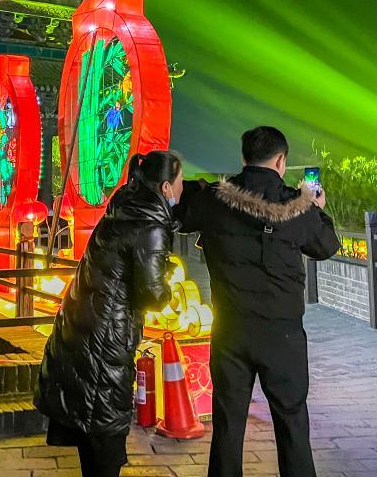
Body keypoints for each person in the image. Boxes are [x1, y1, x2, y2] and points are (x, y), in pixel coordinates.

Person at [175, 126, 340, 477]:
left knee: (228, 420)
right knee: (291, 419)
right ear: (280, 161)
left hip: (230, 329)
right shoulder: (297, 206)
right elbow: (326, 246)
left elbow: (181, 211)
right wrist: (317, 208)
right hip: (283, 333)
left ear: (244, 158)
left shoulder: (215, 199)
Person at [35, 151, 181, 477]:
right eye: (181, 182)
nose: (182, 189)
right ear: (166, 187)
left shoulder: (121, 209)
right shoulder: (150, 226)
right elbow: (153, 295)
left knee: (91, 432)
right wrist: (168, 282)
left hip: (82, 329)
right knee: (105, 436)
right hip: (107, 342)